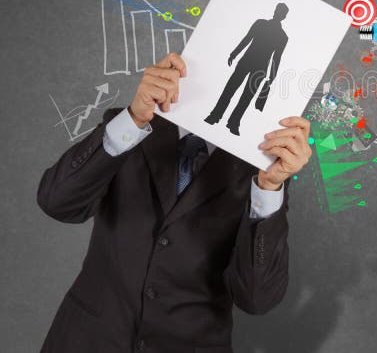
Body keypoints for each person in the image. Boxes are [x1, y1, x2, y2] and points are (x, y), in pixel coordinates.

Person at [37, 52, 312, 353]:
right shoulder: (132, 126)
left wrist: (270, 187)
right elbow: (57, 202)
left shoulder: (261, 172)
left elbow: (257, 299)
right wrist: (132, 119)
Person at [205, 3, 290, 135]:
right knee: (230, 90)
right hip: (248, 62)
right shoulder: (261, 24)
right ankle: (216, 116)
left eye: (280, 12)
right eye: (277, 10)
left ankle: (231, 122)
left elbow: (276, 58)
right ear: (276, 11)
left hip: (259, 68)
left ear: (283, 16)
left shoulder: (282, 36)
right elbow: (247, 39)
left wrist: (272, 76)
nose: (277, 13)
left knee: (245, 97)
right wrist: (234, 53)